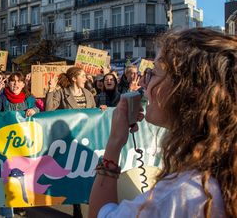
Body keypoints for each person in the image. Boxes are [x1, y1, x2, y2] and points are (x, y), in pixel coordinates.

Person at [89, 28, 235, 217]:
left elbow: (100, 214)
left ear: (186, 91)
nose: (143, 83)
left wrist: (114, 143)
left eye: (153, 74)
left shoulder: (177, 197)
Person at [0, 72, 39, 218]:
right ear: (8, 83)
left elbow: (40, 111)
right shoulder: (2, 98)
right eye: (12, 81)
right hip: (6, 144)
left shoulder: (29, 99)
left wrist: (35, 110)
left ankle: (20, 202)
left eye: (18, 81)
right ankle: (6, 212)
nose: (15, 84)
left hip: (25, 143)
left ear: (23, 84)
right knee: (6, 178)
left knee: (22, 177)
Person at [45, 66, 94, 218]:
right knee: (73, 173)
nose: (85, 79)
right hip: (69, 141)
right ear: (74, 78)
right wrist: (51, 90)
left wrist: (101, 109)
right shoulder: (61, 93)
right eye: (83, 76)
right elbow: (48, 111)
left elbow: (94, 112)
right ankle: (76, 206)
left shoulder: (88, 93)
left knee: (87, 172)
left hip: (86, 139)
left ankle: (88, 201)